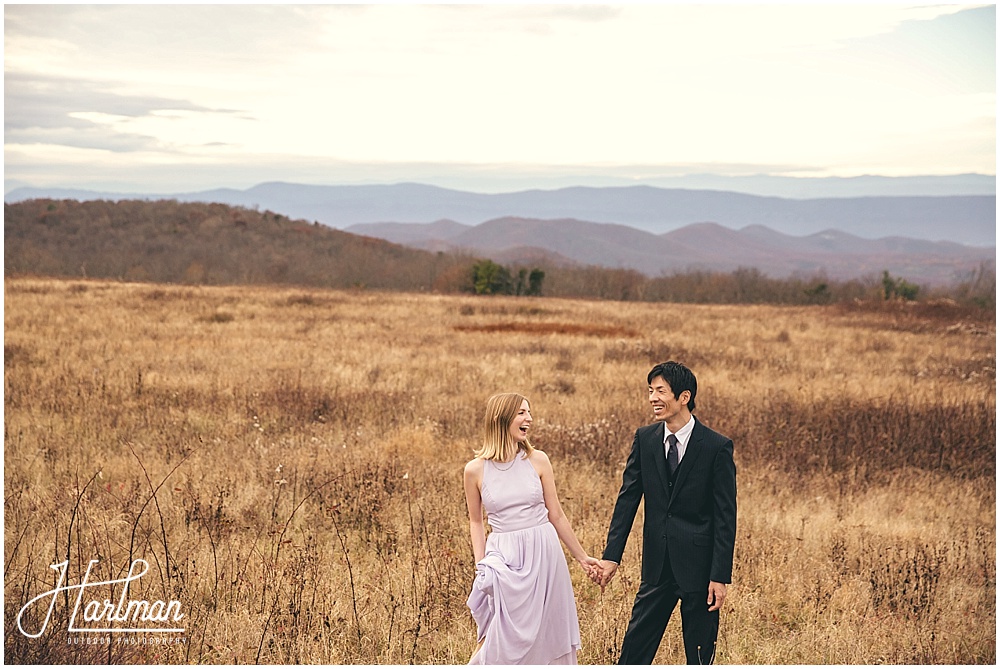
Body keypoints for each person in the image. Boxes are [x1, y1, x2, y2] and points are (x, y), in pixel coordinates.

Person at [593, 361, 737, 665]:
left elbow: (726, 516)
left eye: (660, 391)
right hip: (657, 565)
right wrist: (611, 556)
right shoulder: (644, 439)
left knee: (699, 656)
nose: (653, 398)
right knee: (633, 653)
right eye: (650, 391)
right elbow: (627, 499)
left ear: (684, 397)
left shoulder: (716, 446)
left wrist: (720, 576)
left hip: (700, 570)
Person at [464, 392, 600, 665]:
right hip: (504, 555)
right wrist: (481, 565)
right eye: (522, 413)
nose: (530, 419)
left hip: (544, 553)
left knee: (548, 629)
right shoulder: (475, 470)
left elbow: (557, 514)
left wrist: (582, 557)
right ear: (501, 418)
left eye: (529, 412)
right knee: (499, 632)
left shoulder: (538, 460)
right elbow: (476, 521)